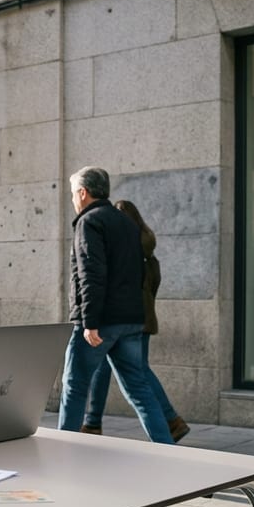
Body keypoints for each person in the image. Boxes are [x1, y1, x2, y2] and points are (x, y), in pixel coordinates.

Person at [57, 167, 175, 444]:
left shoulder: (89, 222)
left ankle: (61, 449)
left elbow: (91, 274)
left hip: (102, 321)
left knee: (74, 386)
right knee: (139, 389)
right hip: (132, 320)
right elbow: (137, 273)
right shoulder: (126, 223)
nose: (73, 200)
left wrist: (90, 321)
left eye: (74, 194)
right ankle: (167, 447)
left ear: (83, 193)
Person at [80, 201, 189, 441]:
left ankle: (171, 420)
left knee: (134, 375)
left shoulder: (127, 253)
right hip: (141, 320)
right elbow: (153, 286)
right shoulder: (148, 255)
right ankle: (94, 422)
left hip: (124, 320)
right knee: (126, 372)